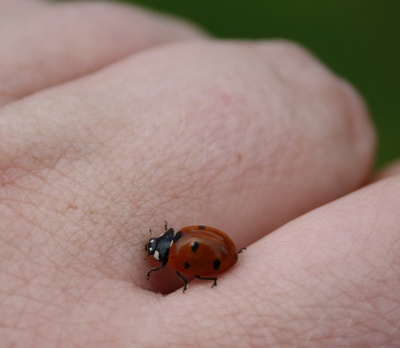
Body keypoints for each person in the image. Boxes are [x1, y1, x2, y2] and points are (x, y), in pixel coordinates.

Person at [1, 1, 398, 346]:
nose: (156, 251)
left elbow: (184, 261)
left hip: (222, 260)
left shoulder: (175, 256)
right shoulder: (180, 247)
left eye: (157, 249)